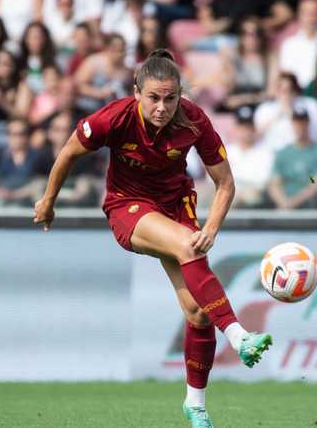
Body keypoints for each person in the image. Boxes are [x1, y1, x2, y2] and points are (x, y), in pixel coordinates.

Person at [33, 49, 272, 428]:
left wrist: (211, 227)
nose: (162, 107)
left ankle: (195, 404)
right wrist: (48, 201)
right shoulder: (114, 117)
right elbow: (68, 153)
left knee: (197, 312)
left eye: (170, 98)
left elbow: (225, 183)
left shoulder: (194, 120)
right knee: (184, 245)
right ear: (137, 92)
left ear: (180, 95)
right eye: (154, 98)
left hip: (177, 206)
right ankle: (239, 334)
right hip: (128, 206)